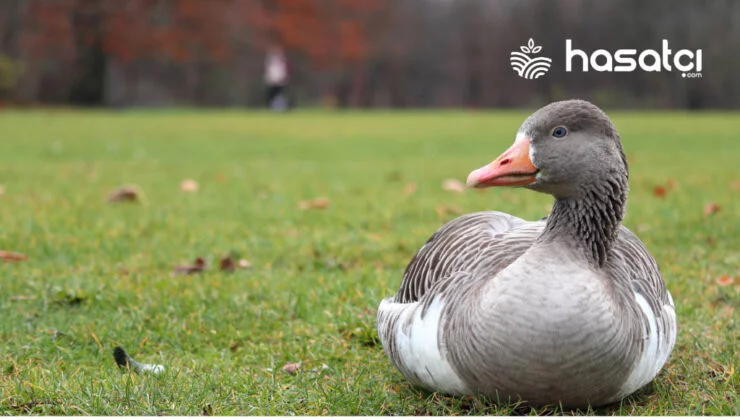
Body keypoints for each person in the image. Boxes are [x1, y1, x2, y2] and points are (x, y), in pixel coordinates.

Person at [264, 44, 289, 111]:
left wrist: (283, 79)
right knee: (271, 95)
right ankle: (272, 107)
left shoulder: (281, 62)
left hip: (279, 81)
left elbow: (282, 72)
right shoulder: (270, 62)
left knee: (278, 95)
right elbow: (269, 72)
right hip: (272, 81)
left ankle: (279, 107)